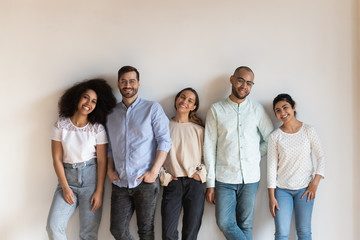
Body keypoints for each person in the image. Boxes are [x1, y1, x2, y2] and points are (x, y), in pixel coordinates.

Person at [204, 66, 274, 240]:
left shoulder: (256, 109)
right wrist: (210, 184)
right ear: (232, 80)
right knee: (224, 222)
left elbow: (270, 138)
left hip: (250, 178)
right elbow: (209, 147)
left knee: (245, 225)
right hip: (224, 178)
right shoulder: (216, 110)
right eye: (241, 80)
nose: (244, 86)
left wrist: (255, 154)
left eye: (249, 83)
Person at [106, 65, 172, 240]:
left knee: (146, 231)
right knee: (117, 230)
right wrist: (109, 170)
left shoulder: (152, 108)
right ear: (118, 84)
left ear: (138, 84)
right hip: (120, 182)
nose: (128, 85)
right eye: (124, 81)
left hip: (145, 181)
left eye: (132, 81)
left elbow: (164, 141)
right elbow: (110, 146)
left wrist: (154, 171)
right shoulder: (111, 114)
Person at [46, 79, 117, 240]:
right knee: (53, 226)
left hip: (91, 182)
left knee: (88, 234)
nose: (89, 103)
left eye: (93, 101)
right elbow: (56, 159)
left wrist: (99, 191)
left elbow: (101, 162)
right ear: (77, 98)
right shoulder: (60, 126)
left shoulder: (97, 129)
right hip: (67, 180)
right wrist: (65, 187)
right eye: (86, 97)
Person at [267, 93, 325, 240]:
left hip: (305, 190)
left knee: (304, 232)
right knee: (281, 233)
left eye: (285, 107)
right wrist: (271, 197)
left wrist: (315, 184)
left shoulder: (308, 131)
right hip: (282, 191)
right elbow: (271, 167)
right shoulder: (275, 136)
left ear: (293, 107)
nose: (282, 113)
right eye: (278, 110)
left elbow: (321, 157)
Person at [160, 88, 206, 240]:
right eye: (182, 97)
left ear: (194, 107)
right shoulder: (164, 127)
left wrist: (201, 175)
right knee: (168, 233)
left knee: (191, 233)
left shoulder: (199, 130)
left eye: (190, 100)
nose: (184, 101)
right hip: (172, 183)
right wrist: (164, 176)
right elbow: (155, 156)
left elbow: (208, 157)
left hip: (194, 184)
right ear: (176, 99)